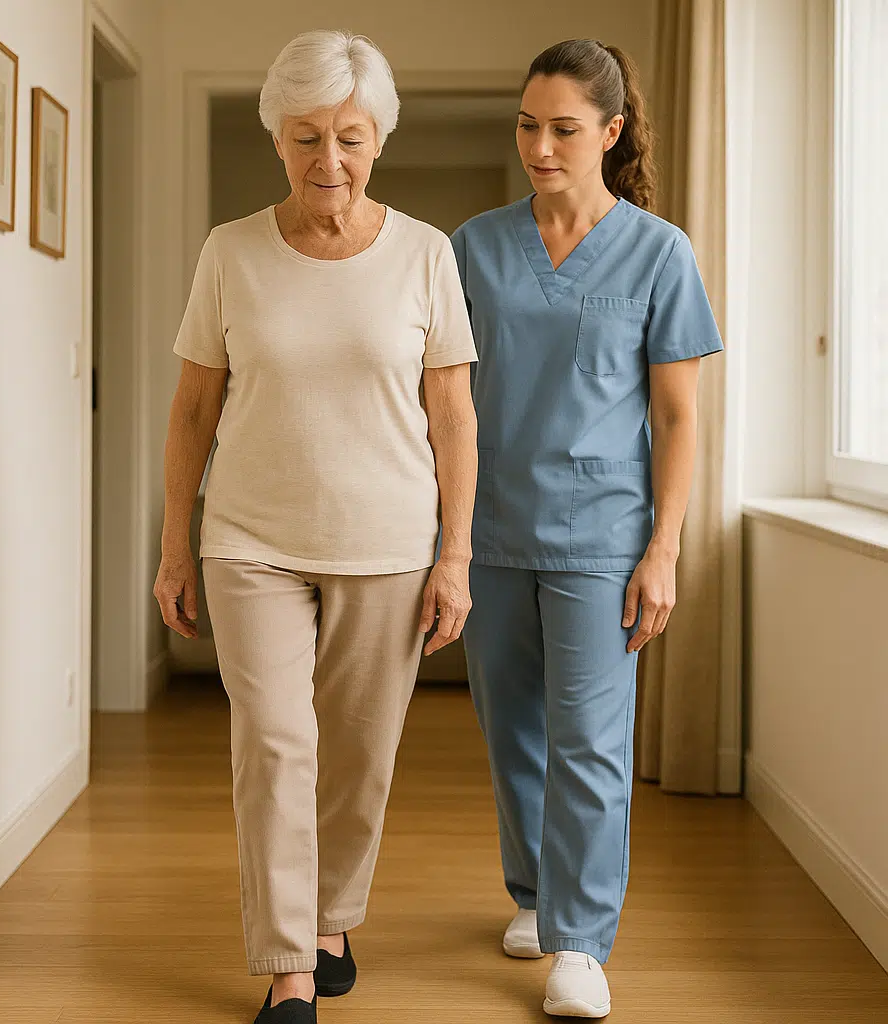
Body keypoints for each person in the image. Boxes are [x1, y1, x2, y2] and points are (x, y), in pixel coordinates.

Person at [153, 29, 478, 1024]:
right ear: (276, 140)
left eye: (347, 136)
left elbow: (454, 417)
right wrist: (175, 545)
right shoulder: (230, 252)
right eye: (304, 139)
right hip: (249, 536)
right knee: (276, 741)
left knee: (360, 746)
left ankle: (333, 913)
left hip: (385, 541)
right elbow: (193, 411)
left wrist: (454, 555)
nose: (326, 161)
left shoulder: (426, 255)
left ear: (376, 137)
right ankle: (292, 965)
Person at [451, 39, 723, 1018]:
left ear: (609, 133)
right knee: (510, 728)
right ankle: (533, 893)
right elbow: (440, 394)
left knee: (592, 740)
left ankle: (579, 939)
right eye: (527, 124)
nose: (540, 144)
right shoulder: (474, 247)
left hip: (605, 535)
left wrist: (665, 548)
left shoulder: (658, 251)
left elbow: (681, 416)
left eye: (563, 128)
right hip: (488, 528)